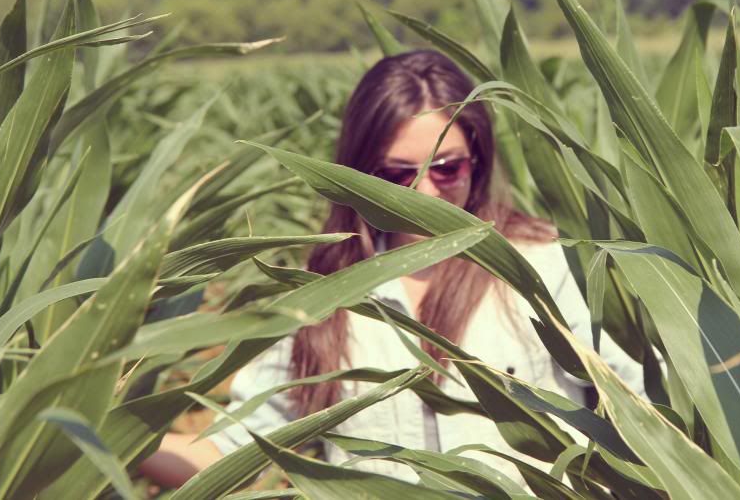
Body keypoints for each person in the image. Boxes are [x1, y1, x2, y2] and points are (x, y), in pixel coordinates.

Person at [140, 50, 648, 489]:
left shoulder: (545, 269)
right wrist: (106, 441)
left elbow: (645, 422)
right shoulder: (320, 295)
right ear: (361, 172)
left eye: (447, 166)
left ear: (479, 159)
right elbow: (236, 452)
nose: (425, 191)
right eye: (396, 174)